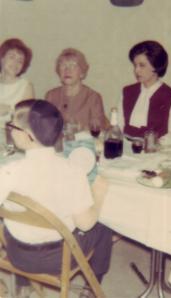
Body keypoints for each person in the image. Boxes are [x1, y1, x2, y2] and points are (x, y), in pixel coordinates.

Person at [0, 100, 112, 298]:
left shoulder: (8, 171)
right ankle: (90, 291)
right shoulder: (72, 171)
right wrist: (99, 195)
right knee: (103, 225)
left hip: (16, 255)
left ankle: (24, 284)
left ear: (28, 136)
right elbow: (85, 225)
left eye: (13, 126)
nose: (10, 130)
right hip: (57, 259)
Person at [117, 40, 171, 146]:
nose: (136, 70)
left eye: (142, 65)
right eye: (135, 65)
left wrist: (152, 144)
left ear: (156, 66)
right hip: (127, 151)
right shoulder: (127, 92)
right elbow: (119, 126)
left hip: (155, 153)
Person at [45, 48, 108, 132]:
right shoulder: (51, 95)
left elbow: (98, 130)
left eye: (73, 66)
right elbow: (45, 127)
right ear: (58, 71)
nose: (67, 70)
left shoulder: (93, 97)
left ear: (82, 73)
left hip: (84, 143)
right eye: (63, 65)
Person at [0, 38, 34, 124]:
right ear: (2, 58)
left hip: (11, 133)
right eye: (12, 57)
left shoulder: (26, 86)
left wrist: (9, 110)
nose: (15, 63)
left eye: (20, 61)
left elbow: (27, 119)